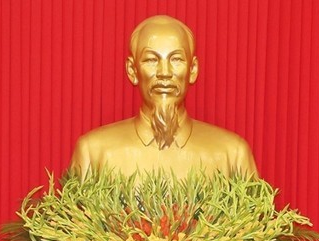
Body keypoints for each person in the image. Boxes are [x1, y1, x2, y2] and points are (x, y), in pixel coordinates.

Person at [70, 15, 257, 179]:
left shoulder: (232, 155)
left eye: (176, 59)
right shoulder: (93, 153)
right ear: (132, 70)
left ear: (192, 70)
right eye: (151, 60)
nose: (165, 73)